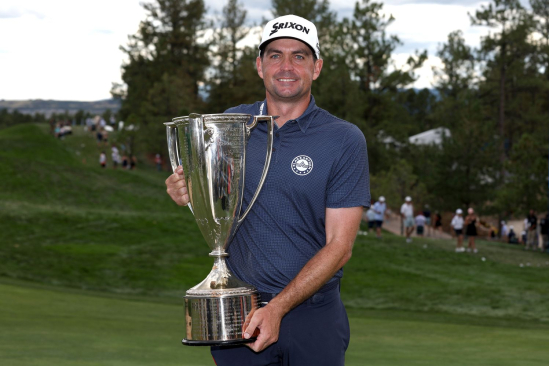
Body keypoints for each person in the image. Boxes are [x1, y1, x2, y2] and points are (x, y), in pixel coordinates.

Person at [165, 14, 369, 366]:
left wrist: (277, 309)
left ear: (316, 67)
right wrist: (186, 189)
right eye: (275, 55)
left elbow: (340, 246)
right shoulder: (229, 125)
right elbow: (217, 199)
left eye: (299, 56)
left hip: (314, 315)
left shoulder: (343, 139)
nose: (286, 66)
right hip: (240, 311)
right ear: (260, 66)